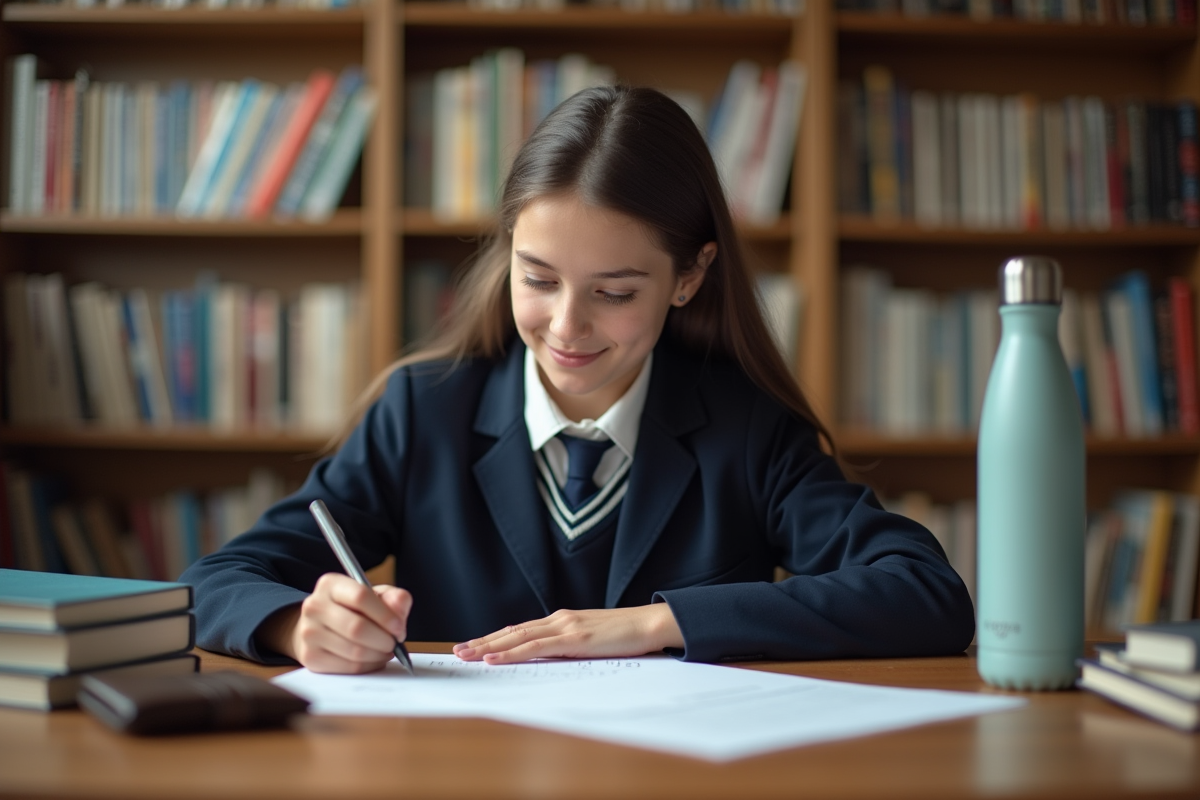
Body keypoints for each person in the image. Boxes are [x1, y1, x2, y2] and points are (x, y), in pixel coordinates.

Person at [181, 85, 974, 674]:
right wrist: (297, 625)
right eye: (538, 278)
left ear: (690, 277)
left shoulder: (748, 428)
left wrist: (654, 624)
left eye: (615, 293)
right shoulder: (422, 414)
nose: (566, 327)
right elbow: (215, 582)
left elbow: (926, 595)